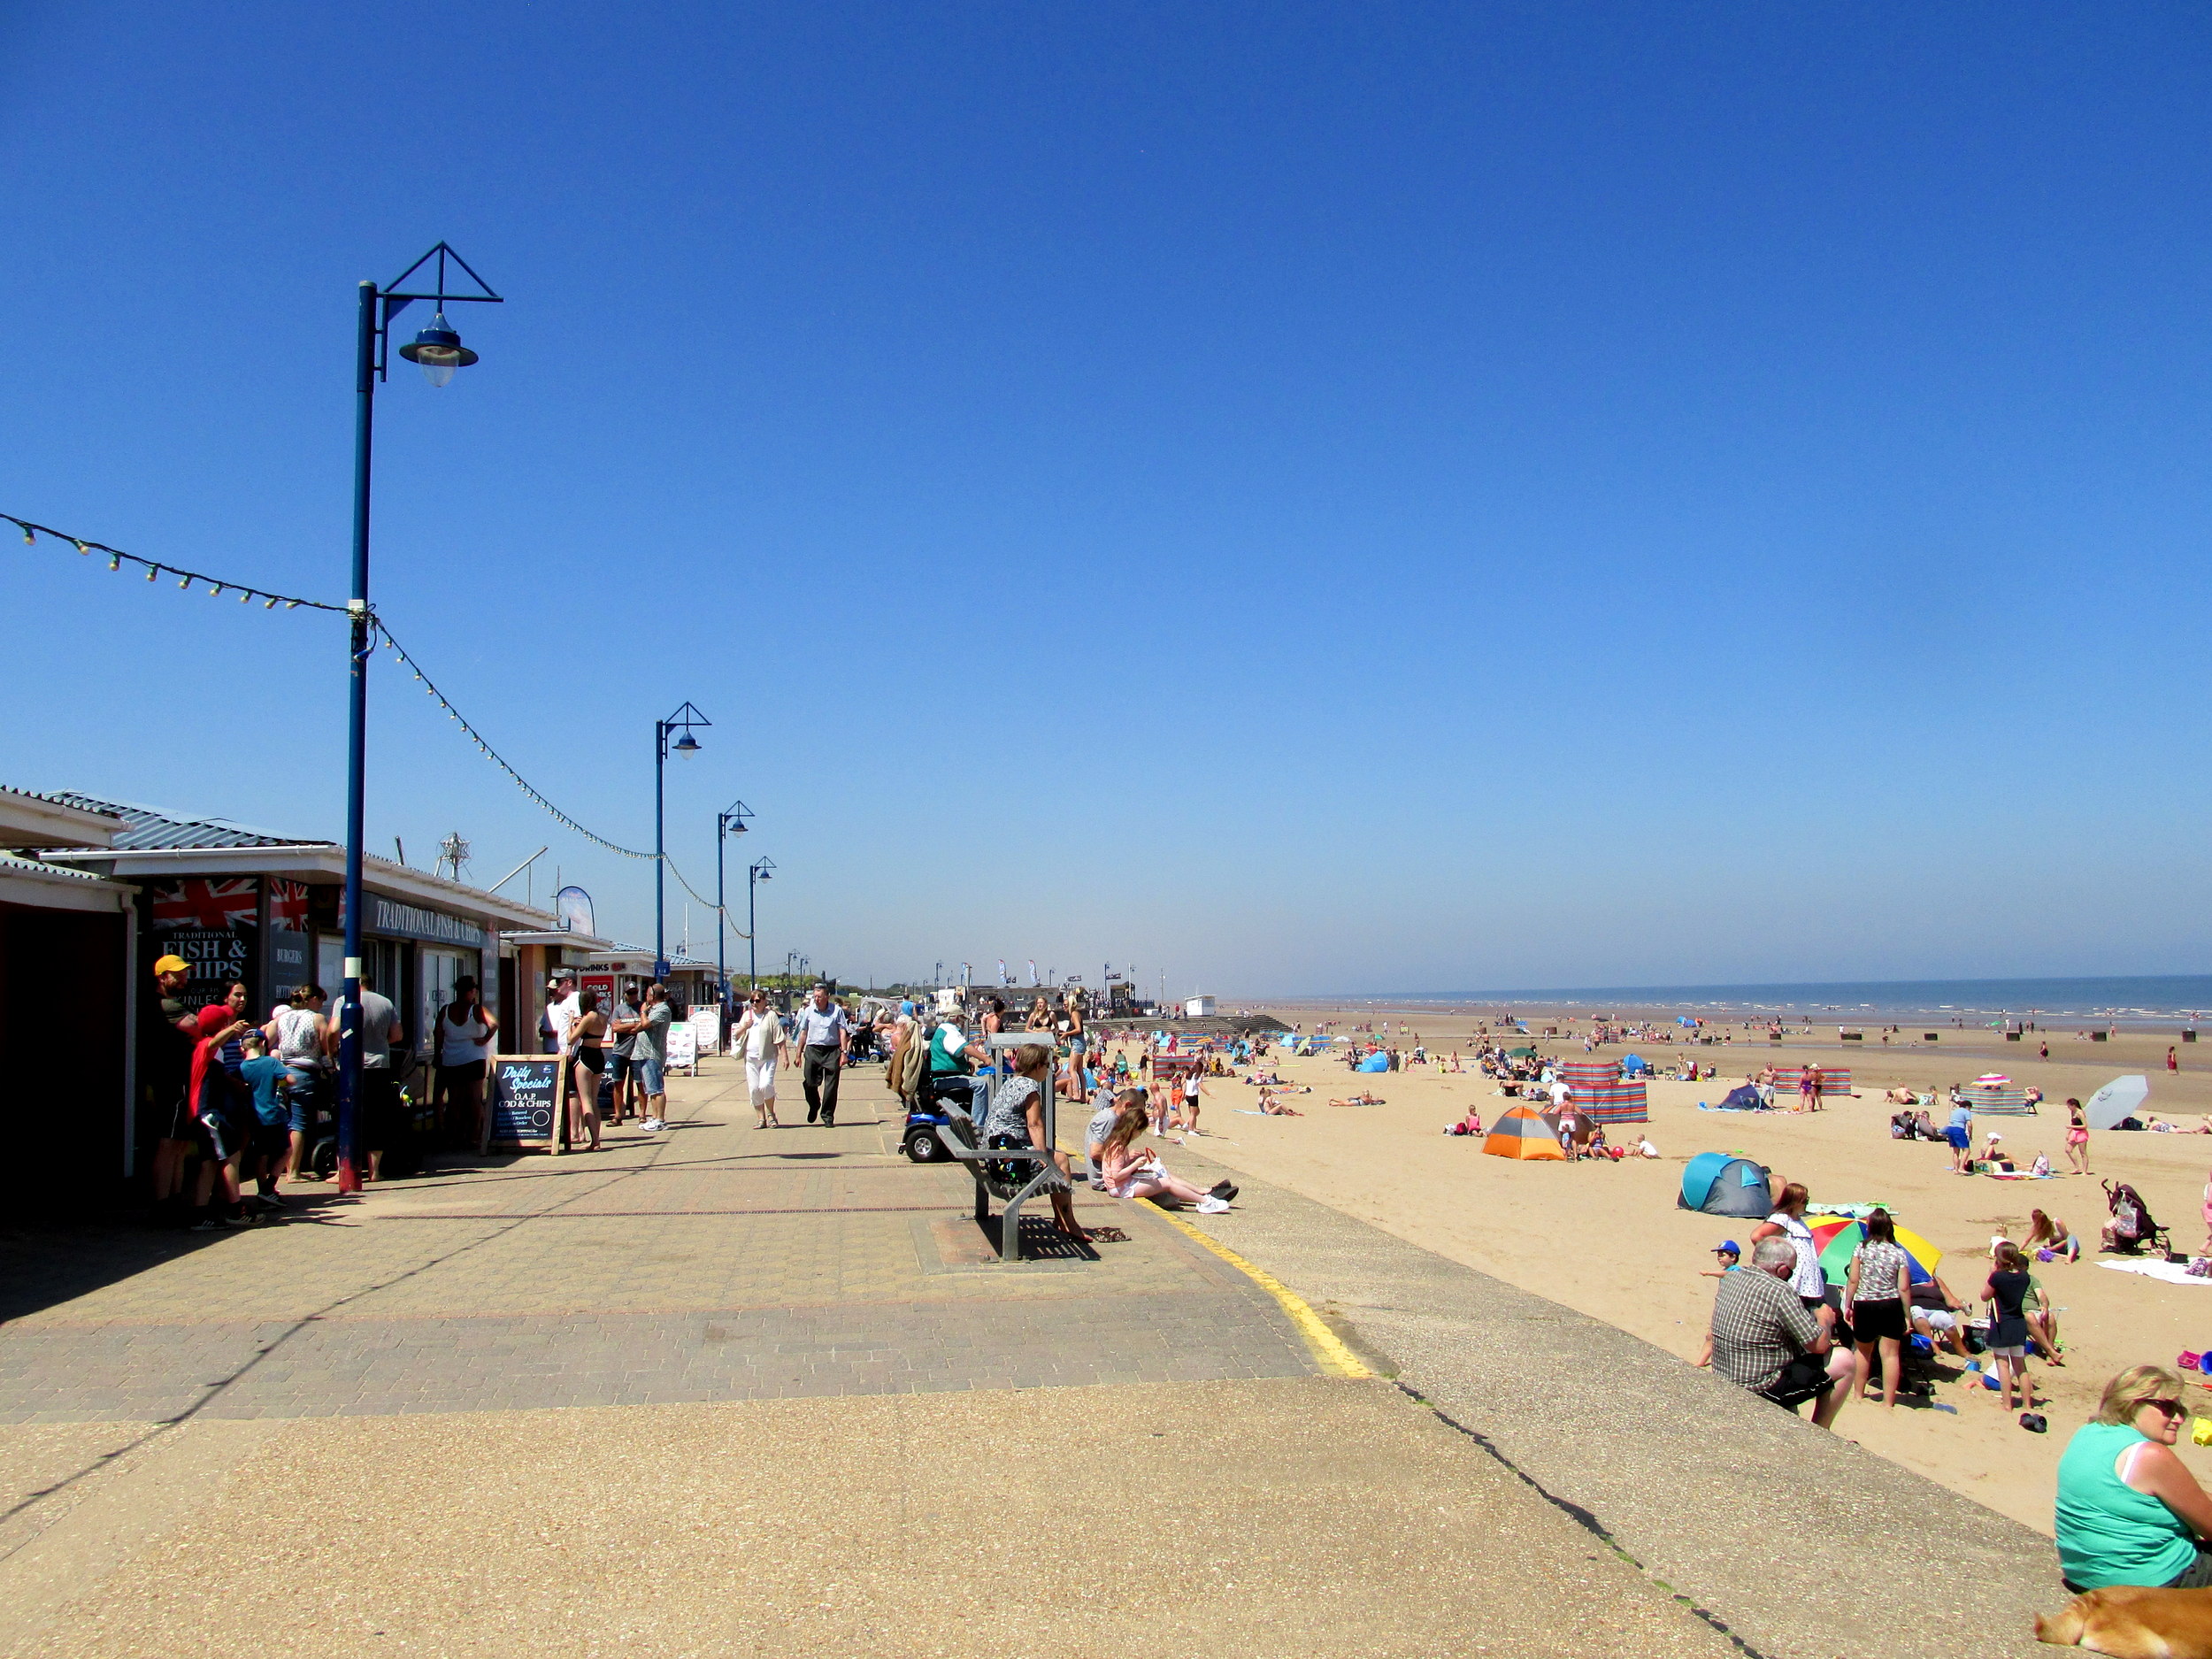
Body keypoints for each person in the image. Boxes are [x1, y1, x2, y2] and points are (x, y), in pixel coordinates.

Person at [2055, 1366, 2212, 1591]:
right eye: (2168, 1407)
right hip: (2146, 1581)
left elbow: (2187, 1495)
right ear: (2132, 1403)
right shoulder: (2149, 1455)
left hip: (2085, 1574)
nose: (2179, 1418)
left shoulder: (2088, 1433)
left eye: (2181, 1409)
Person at [1704, 1235, 1854, 1428]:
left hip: (1725, 1373)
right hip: (1759, 1387)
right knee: (1846, 1360)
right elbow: (1818, 1345)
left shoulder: (1732, 1278)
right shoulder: (1780, 1291)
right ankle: (1820, 1432)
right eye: (1791, 1271)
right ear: (1782, 1270)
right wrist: (1825, 1318)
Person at [982, 1043, 1087, 1240]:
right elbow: (1035, 1124)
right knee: (1061, 1160)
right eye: (1047, 1065)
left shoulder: (1012, 1082)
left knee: (1056, 1159)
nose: (1049, 1070)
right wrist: (1042, 1157)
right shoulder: (1029, 1086)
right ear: (1037, 1066)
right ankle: (1068, 1222)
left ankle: (1061, 1219)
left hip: (996, 1153)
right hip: (1008, 1161)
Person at [185, 1002, 255, 1228]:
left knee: (209, 1163)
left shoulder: (208, 1049)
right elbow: (213, 1042)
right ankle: (235, 1208)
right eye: (225, 1021)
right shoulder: (207, 1046)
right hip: (208, 1114)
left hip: (204, 1114)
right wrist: (232, 1029)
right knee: (231, 1155)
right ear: (221, 1025)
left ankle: (200, 1212)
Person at [328, 972, 403, 1182]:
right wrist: (379, 1043)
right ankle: (374, 1171)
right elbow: (397, 1035)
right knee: (376, 1118)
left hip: (350, 1067)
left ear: (354, 984)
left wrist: (332, 1050)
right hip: (379, 1066)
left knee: (345, 1116)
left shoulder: (344, 1001)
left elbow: (333, 1029)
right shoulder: (385, 1002)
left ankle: (342, 1170)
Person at [1097, 1096, 1233, 1213]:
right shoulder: (1118, 1146)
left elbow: (1115, 1168)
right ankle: (1205, 1202)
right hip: (1120, 1188)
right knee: (1166, 1183)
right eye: (1140, 1131)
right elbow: (1116, 1175)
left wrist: (1131, 1159)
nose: (1139, 1135)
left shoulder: (1116, 1141)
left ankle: (1202, 1193)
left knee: (1163, 1174)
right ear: (1133, 1129)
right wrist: (1135, 1165)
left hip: (1120, 1185)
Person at [1844, 1209, 1912, 1409]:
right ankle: (1888, 1401)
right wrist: (1908, 1314)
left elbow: (1853, 1279)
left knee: (1863, 1352)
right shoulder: (1898, 1252)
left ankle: (1858, 1394)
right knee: (1890, 1355)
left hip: (1865, 1303)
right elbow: (1904, 1287)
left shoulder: (1860, 1249)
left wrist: (1848, 1304)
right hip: (1890, 1303)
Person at [268, 983, 328, 1183]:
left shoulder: (281, 1018)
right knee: (299, 1123)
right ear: (312, 999)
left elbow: (266, 1039)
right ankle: (292, 1171)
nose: (321, 1005)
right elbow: (326, 1046)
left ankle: (285, 1168)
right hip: (305, 1072)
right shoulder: (316, 1018)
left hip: (283, 1073)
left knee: (287, 1121)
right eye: (320, 1000)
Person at [434, 976, 497, 1145]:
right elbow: (494, 1024)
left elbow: (438, 1034)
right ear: (471, 991)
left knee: (454, 1100)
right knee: (475, 1099)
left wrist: (437, 1055)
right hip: (473, 1057)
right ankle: (475, 1135)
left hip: (451, 1059)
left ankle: (454, 1135)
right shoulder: (477, 1009)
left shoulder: (446, 1010)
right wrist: (484, 1039)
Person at [1749, 1183, 1830, 1316]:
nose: (1806, 1203)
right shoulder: (1782, 1219)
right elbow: (1757, 1236)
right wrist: (1772, 1258)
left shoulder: (1798, 1220)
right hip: (1793, 1278)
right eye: (1804, 1200)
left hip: (1807, 1280)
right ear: (1793, 1201)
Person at [237, 1028, 293, 1211]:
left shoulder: (242, 1067)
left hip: (253, 1116)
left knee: (261, 1154)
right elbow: (290, 1079)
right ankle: (269, 1188)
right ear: (262, 1044)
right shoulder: (270, 1062)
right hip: (272, 1114)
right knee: (286, 1150)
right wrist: (282, 1080)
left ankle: (263, 1192)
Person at [1984, 1241, 2036, 1411]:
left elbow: (1984, 1296)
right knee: (2020, 1366)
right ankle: (2027, 1403)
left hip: (2002, 1323)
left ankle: (2007, 1404)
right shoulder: (2024, 1276)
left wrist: (1991, 1273)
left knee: (2003, 1365)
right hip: (2018, 1322)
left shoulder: (1998, 1277)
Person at [793, 984, 849, 1126]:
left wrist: (844, 1053)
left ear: (827, 997)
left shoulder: (836, 1011)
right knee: (809, 1082)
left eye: (819, 997)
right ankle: (814, 1104)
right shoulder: (809, 1011)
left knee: (831, 1086)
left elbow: (842, 1031)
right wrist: (798, 1054)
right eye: (815, 997)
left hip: (832, 1050)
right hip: (813, 1050)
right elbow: (803, 1032)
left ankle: (828, 1116)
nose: (817, 999)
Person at [733, 990, 785, 1129]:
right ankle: (761, 1118)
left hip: (768, 1057)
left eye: (757, 1001)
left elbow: (779, 1037)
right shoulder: (747, 1016)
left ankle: (771, 1114)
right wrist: (745, 1026)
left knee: (766, 1085)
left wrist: (785, 1056)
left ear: (764, 1001)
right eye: (752, 1001)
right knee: (755, 1089)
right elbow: (736, 1035)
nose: (754, 1004)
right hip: (751, 1058)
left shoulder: (771, 1016)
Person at [565, 989, 607, 1151]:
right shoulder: (603, 1017)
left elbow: (571, 1039)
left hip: (586, 1057)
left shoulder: (588, 1017)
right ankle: (597, 1138)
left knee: (586, 1100)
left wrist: (571, 1023)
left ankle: (594, 1141)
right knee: (594, 1100)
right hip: (599, 1055)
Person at [634, 984, 673, 1133]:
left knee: (657, 1088)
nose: (645, 996)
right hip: (643, 1053)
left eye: (647, 993)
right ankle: (654, 1117)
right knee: (651, 1089)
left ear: (653, 995)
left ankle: (661, 1119)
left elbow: (645, 1024)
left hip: (653, 1053)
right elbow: (639, 1027)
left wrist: (643, 1012)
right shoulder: (653, 1009)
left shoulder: (662, 1009)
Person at [1908, 1272, 1973, 1358]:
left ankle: (1962, 1351)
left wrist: (1961, 1306)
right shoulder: (1908, 1279)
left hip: (1937, 1310)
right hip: (1915, 1309)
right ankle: (1933, 1347)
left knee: (1947, 1321)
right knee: (1917, 1312)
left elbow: (1951, 1300)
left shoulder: (1936, 1280)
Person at [605, 984, 644, 1125]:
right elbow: (615, 1027)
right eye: (630, 993)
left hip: (638, 1052)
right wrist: (634, 1025)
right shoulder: (619, 1009)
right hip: (620, 1051)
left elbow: (644, 1025)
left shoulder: (642, 1007)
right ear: (625, 994)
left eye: (635, 992)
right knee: (618, 1083)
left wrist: (627, 1026)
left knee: (640, 1084)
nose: (633, 995)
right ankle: (618, 1115)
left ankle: (642, 1115)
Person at [1945, 1092, 1974, 1173]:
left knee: (1955, 1151)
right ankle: (1961, 1168)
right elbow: (1969, 1124)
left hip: (1950, 1129)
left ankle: (1956, 1169)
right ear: (1968, 1107)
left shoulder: (1955, 1111)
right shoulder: (1966, 1111)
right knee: (1966, 1150)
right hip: (1958, 1129)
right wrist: (1970, 1134)